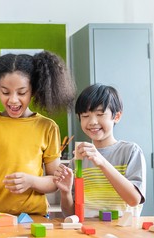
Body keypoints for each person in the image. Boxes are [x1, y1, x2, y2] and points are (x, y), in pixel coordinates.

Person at [0, 51, 75, 216]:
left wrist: (32, 181)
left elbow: (54, 181)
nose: (13, 100)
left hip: (34, 215)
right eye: (5, 92)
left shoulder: (47, 127)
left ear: (34, 91)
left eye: (21, 93)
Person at [55, 83, 146, 218]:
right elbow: (72, 214)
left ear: (116, 116)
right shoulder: (77, 161)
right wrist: (65, 192)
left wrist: (102, 162)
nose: (92, 122)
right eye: (85, 116)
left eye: (100, 114)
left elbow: (134, 200)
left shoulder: (130, 151)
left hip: (123, 233)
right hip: (87, 233)